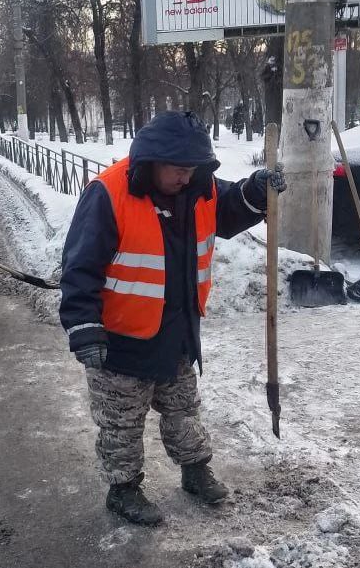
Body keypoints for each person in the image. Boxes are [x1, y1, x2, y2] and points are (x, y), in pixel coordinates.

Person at [60, 111, 286, 526]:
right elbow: (80, 266)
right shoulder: (108, 194)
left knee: (184, 409)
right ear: (152, 162)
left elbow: (231, 209)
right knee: (121, 424)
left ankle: (195, 471)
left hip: (178, 332)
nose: (186, 178)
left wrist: (256, 191)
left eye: (193, 170)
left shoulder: (199, 189)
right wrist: (84, 327)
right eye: (179, 170)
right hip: (121, 341)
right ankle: (123, 489)